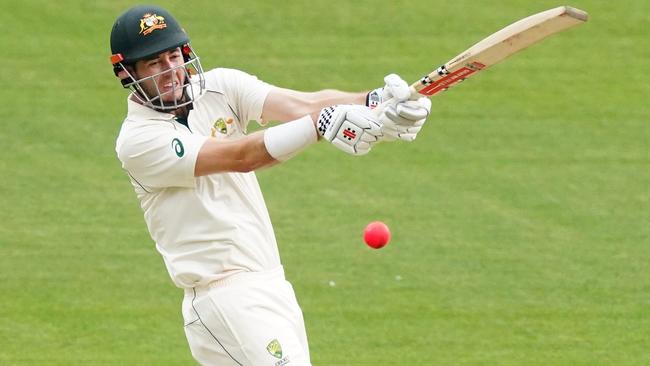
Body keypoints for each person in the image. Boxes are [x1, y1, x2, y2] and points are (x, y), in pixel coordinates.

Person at [110, 4, 431, 365]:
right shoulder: (138, 141)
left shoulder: (219, 86)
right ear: (127, 72)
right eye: (154, 63)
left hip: (270, 282)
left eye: (173, 56)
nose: (171, 71)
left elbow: (301, 103)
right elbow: (241, 156)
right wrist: (321, 125)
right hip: (224, 296)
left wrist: (375, 102)